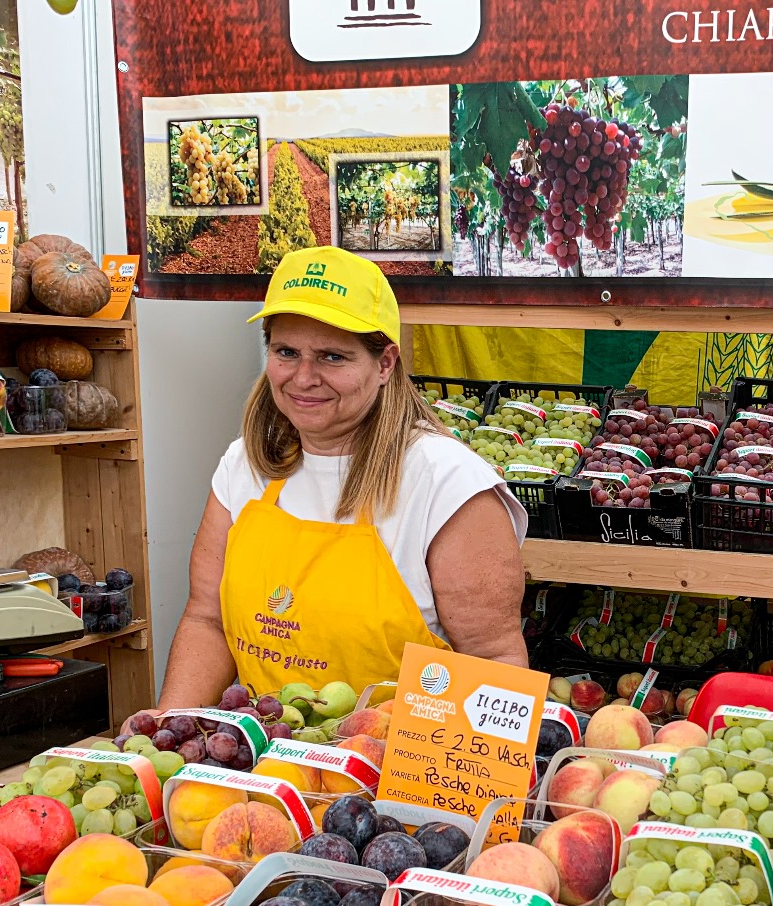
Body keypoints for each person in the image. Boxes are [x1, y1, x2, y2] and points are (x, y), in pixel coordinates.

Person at [152, 246, 527, 709]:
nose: (304, 378)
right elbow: (207, 620)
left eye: (332, 357)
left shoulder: (446, 483)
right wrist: (167, 729)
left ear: (385, 363)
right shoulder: (246, 463)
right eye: (286, 352)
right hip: (271, 766)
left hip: (396, 768)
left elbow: (493, 661)